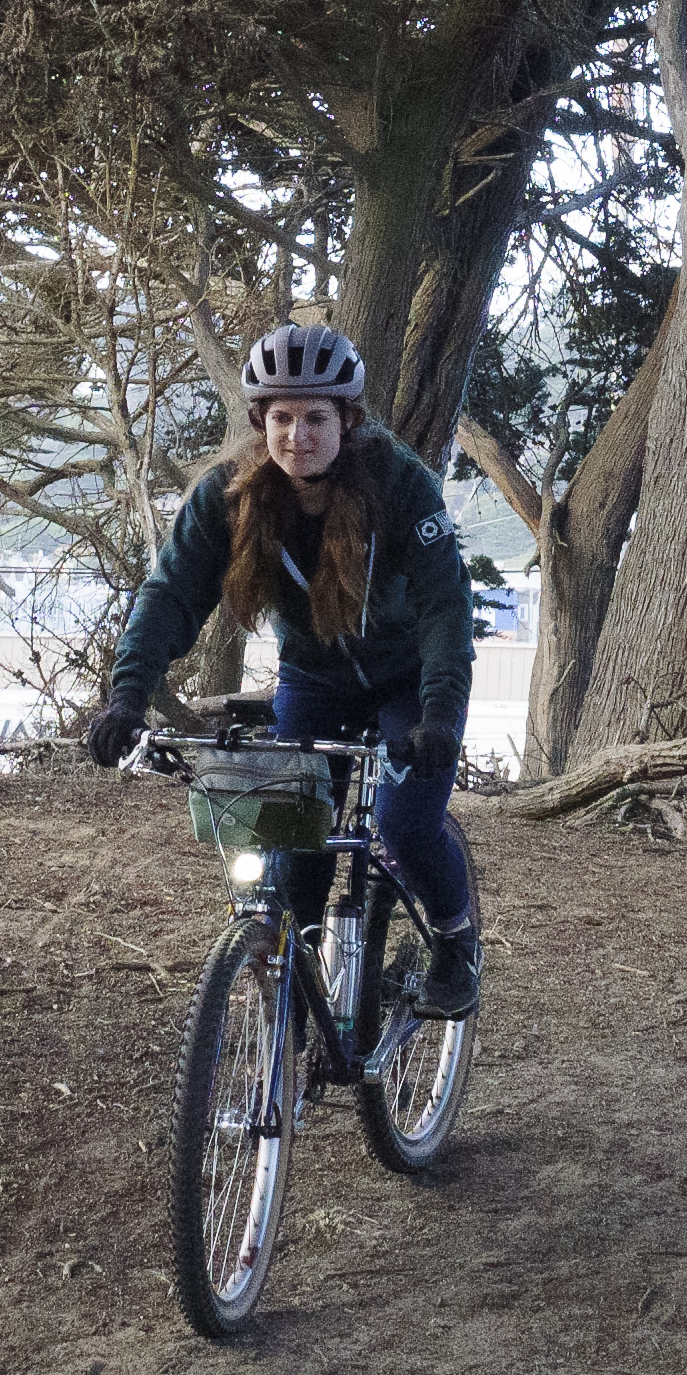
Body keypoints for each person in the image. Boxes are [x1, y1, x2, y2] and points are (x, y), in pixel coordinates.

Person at [79, 319, 483, 1017]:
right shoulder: (228, 498)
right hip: (313, 682)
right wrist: (127, 696)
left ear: (349, 421)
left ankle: (455, 939)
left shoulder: (400, 483)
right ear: (260, 420)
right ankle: (292, 1024)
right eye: (283, 418)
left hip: (410, 679)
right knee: (292, 852)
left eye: (316, 418)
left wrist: (442, 712)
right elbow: (171, 597)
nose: (298, 435)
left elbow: (447, 606)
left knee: (405, 823)